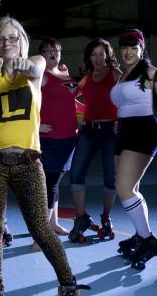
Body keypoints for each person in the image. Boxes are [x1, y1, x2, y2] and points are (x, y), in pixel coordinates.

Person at [0, 16, 89, 296]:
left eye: (13, 37)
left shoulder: (37, 65)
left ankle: (67, 283)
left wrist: (8, 61)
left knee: (41, 227)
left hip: (28, 161)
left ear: (23, 40)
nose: (7, 43)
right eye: (1, 39)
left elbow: (31, 66)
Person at [110, 29, 157, 269]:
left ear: (141, 49)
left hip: (143, 131)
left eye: (133, 47)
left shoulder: (149, 73)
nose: (128, 52)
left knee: (124, 187)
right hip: (124, 132)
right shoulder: (123, 75)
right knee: (131, 188)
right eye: (124, 47)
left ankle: (148, 240)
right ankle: (141, 234)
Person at [68, 38, 122, 243]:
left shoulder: (116, 74)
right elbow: (75, 99)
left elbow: (126, 97)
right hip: (89, 129)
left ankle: (106, 218)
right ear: (88, 57)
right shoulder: (86, 78)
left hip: (111, 130)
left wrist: (121, 119)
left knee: (111, 175)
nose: (98, 58)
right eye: (94, 54)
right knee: (76, 172)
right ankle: (81, 218)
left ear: (108, 55)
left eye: (102, 54)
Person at [31, 38, 80, 252]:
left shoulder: (67, 76)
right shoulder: (39, 76)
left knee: (55, 181)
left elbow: (77, 102)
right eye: (47, 50)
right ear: (41, 55)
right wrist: (36, 124)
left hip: (69, 137)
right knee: (49, 182)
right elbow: (25, 100)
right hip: (50, 138)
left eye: (56, 50)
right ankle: (42, 235)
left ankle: (52, 223)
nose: (52, 53)